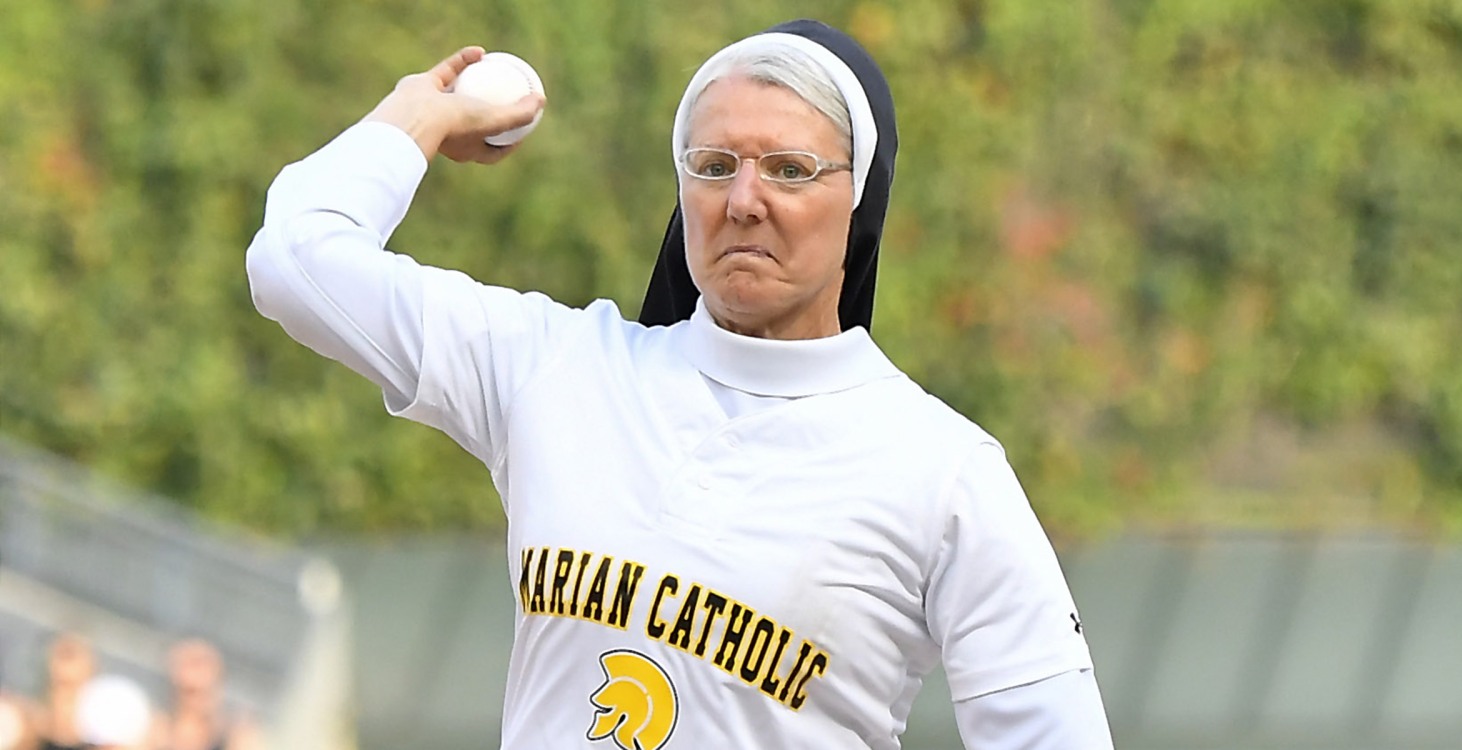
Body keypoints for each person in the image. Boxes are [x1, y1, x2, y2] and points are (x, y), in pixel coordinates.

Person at [247, 18, 1113, 749]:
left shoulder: (943, 469)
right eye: (712, 165)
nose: (743, 199)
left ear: (862, 202)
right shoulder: (560, 368)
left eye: (790, 169)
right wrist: (419, 113)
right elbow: (294, 261)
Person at [149, 640, 260, 750]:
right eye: (191, 692)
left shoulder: (236, 734)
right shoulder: (158, 730)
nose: (200, 701)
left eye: (207, 692)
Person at [32, 634, 94, 750]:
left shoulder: (105, 737)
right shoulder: (30, 726)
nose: (65, 667)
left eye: (70, 655)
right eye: (63, 654)